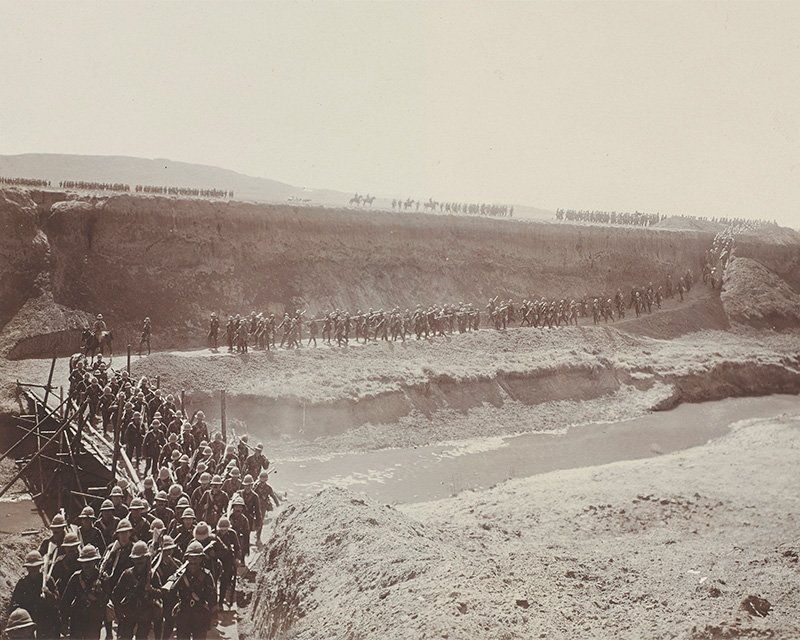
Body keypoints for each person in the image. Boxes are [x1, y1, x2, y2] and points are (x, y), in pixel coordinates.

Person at [112, 540, 163, 640]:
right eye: (136, 559)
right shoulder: (127, 574)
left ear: (146, 558)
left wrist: (151, 590)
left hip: (145, 614)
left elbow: (161, 594)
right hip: (128, 613)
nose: (139, 561)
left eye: (141, 558)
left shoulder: (152, 575)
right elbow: (115, 594)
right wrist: (119, 611)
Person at [169, 540, 217, 639]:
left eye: (197, 557)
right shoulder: (180, 574)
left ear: (201, 559)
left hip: (200, 616)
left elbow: (212, 598)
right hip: (183, 615)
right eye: (191, 557)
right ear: (187, 558)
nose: (194, 560)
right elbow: (171, 593)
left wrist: (213, 616)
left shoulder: (207, 576)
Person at [60, 544, 109, 640]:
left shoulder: (103, 578)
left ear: (94, 561)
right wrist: (64, 622)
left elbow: (106, 602)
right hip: (78, 619)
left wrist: (100, 593)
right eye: (84, 562)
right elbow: (65, 601)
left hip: (94, 620)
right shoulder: (76, 577)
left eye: (90, 562)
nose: (87, 565)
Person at [10, 551, 60, 640]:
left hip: (47, 621)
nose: (33, 570)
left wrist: (48, 593)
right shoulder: (22, 583)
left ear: (40, 566)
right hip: (29, 623)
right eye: (30, 567)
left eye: (35, 567)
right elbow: (14, 604)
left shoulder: (48, 580)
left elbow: (57, 600)